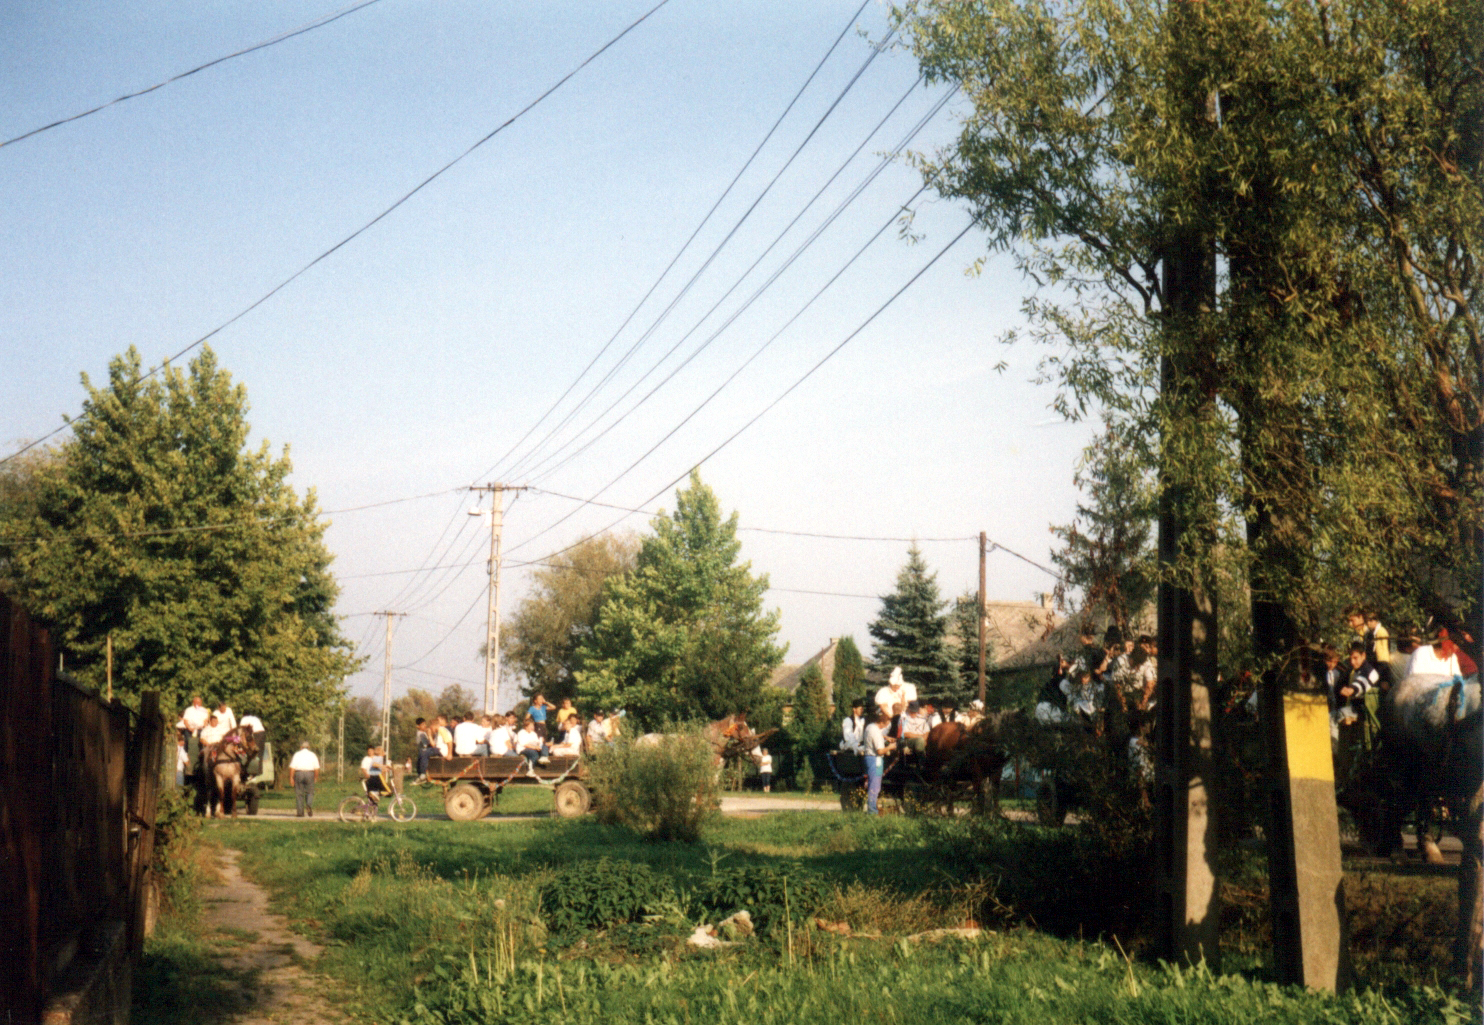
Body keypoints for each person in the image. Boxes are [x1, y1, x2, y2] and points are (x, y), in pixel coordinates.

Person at [863, 708, 894, 815]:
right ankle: (872, 811)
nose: (886, 727)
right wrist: (890, 747)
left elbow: (873, 737)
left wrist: (885, 737)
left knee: (874, 784)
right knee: (875, 786)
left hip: (870, 758)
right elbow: (880, 751)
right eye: (886, 724)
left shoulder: (870, 727)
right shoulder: (875, 731)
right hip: (875, 760)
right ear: (881, 722)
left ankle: (872, 809)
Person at [289, 741, 321, 817]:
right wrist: (315, 777)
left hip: (299, 773)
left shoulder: (297, 754)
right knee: (310, 792)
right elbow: (316, 768)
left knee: (299, 793)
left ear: (301, 747)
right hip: (310, 773)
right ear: (309, 747)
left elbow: (292, 768)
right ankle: (308, 804)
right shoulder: (313, 755)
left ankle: (300, 813)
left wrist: (291, 778)